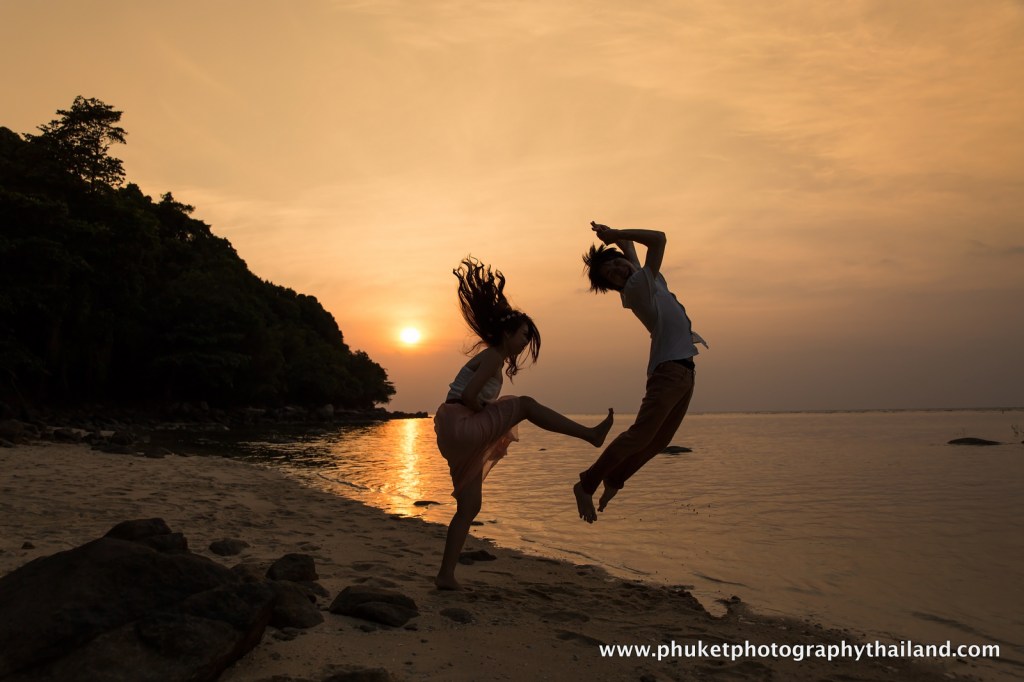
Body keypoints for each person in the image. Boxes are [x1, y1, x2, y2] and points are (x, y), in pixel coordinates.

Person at [434, 257, 614, 590]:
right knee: (525, 405)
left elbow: (467, 395)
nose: (525, 342)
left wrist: (486, 413)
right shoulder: (491, 356)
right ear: (506, 333)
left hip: (451, 429)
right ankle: (589, 435)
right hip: (461, 421)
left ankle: (445, 576)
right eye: (523, 335)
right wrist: (486, 413)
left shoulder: (494, 359)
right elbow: (471, 396)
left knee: (470, 506)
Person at [574, 222, 707, 523]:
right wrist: (618, 235)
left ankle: (615, 480)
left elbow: (631, 255)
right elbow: (659, 240)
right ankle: (586, 485)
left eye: (615, 266)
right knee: (640, 435)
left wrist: (618, 242)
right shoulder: (636, 287)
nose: (619, 271)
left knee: (658, 441)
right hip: (669, 371)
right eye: (612, 276)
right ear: (617, 287)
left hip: (684, 371)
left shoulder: (643, 278)